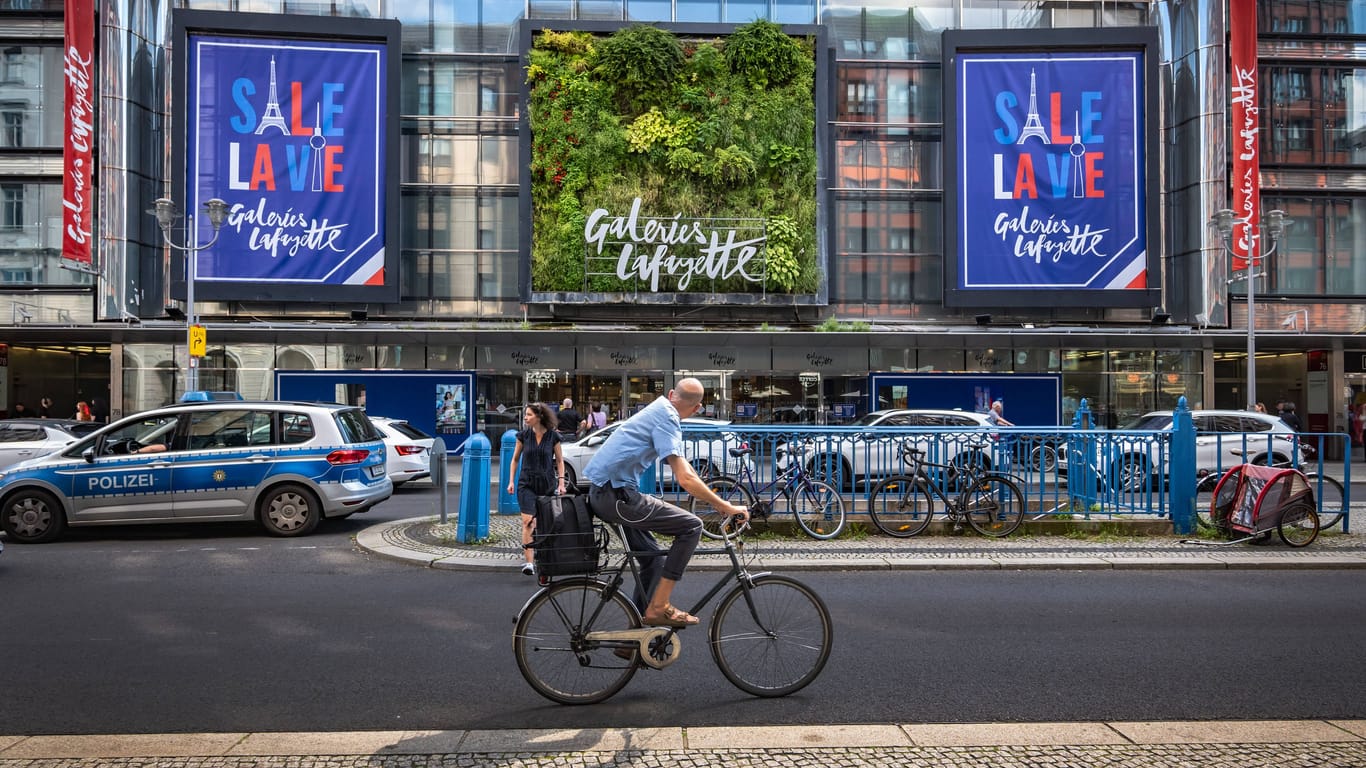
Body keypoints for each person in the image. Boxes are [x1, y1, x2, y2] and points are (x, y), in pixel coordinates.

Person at [583, 377, 748, 627]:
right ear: (697, 408)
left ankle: (632, 639)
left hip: (605, 494)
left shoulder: (659, 408)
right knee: (692, 526)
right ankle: (659, 607)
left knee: (653, 559)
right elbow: (685, 477)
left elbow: (684, 469)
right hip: (617, 496)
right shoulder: (667, 418)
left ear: (672, 393)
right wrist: (726, 506)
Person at [506, 402, 566, 577]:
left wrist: (561, 483)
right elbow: (515, 459)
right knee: (528, 522)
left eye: (529, 415)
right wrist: (511, 481)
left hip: (547, 484)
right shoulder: (523, 436)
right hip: (526, 484)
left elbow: (560, 461)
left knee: (544, 522)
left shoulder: (553, 437)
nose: (525, 418)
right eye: (525, 415)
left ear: (539, 417)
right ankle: (529, 563)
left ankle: (544, 554)